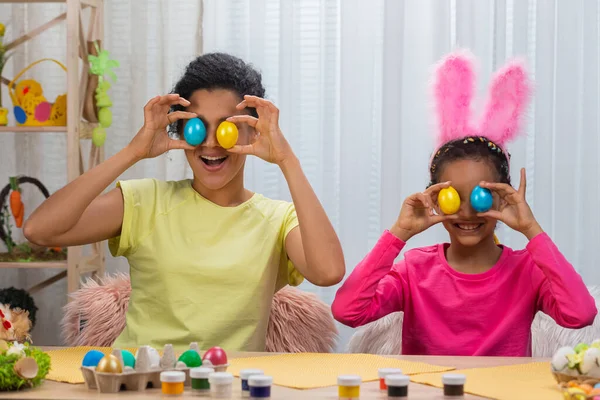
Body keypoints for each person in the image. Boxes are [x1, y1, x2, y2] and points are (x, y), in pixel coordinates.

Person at [24, 52, 345, 351]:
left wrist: (287, 159)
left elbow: (328, 272)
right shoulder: (144, 201)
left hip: (228, 387)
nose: (209, 142)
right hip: (143, 382)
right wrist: (132, 152)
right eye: (196, 126)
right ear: (180, 130)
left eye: (227, 128)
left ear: (252, 132)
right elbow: (40, 231)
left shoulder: (277, 219)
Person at [331, 52, 596, 357]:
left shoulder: (526, 271)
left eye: (481, 197)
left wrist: (532, 231)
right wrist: (398, 233)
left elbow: (580, 314)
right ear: (434, 198)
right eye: (454, 197)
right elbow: (347, 311)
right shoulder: (415, 271)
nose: (468, 212)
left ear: (504, 197)